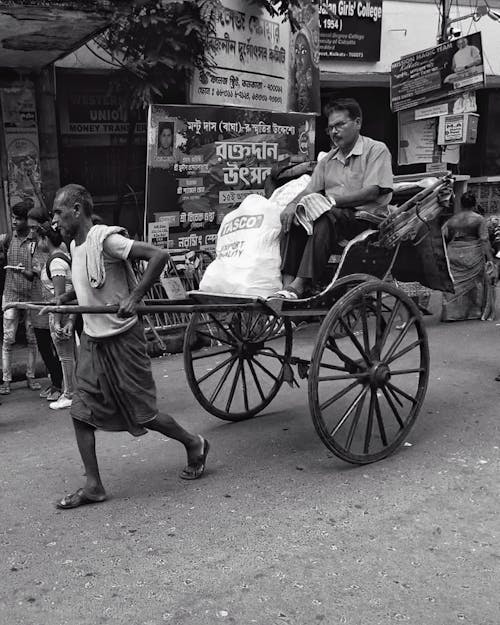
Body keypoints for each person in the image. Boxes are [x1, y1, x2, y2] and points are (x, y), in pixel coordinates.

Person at [51, 183, 209, 509]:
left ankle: (194, 443)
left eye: (58, 211)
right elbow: (92, 289)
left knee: (145, 414)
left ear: (77, 209)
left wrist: (136, 298)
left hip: (123, 338)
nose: (55, 219)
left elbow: (159, 255)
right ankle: (93, 485)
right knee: (81, 413)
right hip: (95, 343)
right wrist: (66, 300)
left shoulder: (106, 239)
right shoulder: (75, 246)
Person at [277, 98, 393, 298]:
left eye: (340, 125)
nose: (334, 132)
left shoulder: (376, 150)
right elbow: (309, 191)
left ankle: (300, 283)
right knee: (294, 217)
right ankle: (287, 287)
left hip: (365, 220)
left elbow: (373, 191)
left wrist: (331, 202)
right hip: (336, 217)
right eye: (330, 128)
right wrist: (292, 204)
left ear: (357, 123)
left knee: (325, 215)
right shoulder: (328, 159)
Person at [33, 219, 76, 410]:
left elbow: (60, 296)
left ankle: (69, 394)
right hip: (62, 313)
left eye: (38, 240)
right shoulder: (60, 256)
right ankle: (72, 391)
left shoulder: (57, 261)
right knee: (68, 355)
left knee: (65, 356)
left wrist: (57, 322)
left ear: (45, 239)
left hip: (61, 314)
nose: (37, 245)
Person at [0, 199, 41, 395]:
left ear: (27, 220)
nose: (14, 222)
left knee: (33, 339)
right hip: (10, 295)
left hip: (32, 295)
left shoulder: (36, 241)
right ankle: (6, 380)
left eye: (18, 219)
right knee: (8, 339)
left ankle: (30, 377)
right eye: (13, 218)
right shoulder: (7, 239)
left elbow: (40, 269)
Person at [27, 209, 64, 403]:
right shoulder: (34, 247)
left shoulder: (56, 250)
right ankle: (56, 381)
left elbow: (60, 288)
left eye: (35, 228)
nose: (31, 232)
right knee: (44, 345)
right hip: (38, 302)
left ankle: (61, 384)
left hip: (54, 305)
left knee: (61, 348)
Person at [441, 191, 496, 322]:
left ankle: (452, 314)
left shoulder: (452, 220)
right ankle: (473, 312)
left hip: (453, 252)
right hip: (473, 252)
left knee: (455, 283)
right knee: (475, 283)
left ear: (461, 204)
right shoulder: (478, 219)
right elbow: (484, 239)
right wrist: (490, 259)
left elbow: (445, 237)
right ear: (474, 204)